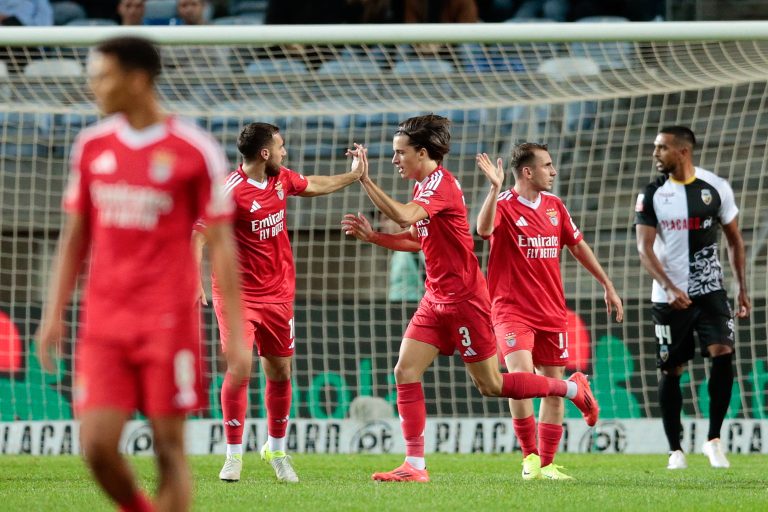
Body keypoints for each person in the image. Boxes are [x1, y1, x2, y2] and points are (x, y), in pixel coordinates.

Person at [35, 36, 249, 512]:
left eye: (102, 76)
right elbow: (74, 239)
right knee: (96, 445)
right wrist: (54, 313)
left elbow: (222, 245)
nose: (94, 87)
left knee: (168, 450)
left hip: (167, 323)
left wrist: (235, 334)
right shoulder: (91, 146)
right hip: (105, 323)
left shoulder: (195, 150)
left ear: (135, 80)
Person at [341, 114, 599, 483]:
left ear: (423, 153)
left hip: (466, 300)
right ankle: (415, 465)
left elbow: (400, 215)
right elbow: (417, 237)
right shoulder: (422, 186)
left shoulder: (441, 186)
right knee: (405, 370)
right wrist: (375, 238)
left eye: (400, 153)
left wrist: (363, 178)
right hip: (435, 298)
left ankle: (572, 389)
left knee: (492, 385)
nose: (395, 160)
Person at [193, 122, 365, 484]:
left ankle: (276, 449)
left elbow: (313, 183)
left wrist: (352, 177)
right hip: (238, 295)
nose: (285, 152)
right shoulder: (229, 191)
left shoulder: (280, 179)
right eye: (281, 147)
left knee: (280, 372)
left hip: (279, 294)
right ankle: (233, 455)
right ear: (265, 153)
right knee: (240, 368)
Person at [476, 144, 623, 480]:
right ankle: (529, 456)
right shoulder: (503, 205)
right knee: (522, 376)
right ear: (528, 172)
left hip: (551, 310)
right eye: (547, 165)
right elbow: (483, 231)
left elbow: (577, 245)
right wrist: (495, 188)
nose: (553, 171)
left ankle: (547, 464)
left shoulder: (556, 206)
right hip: (511, 310)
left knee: (550, 385)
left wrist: (607, 283)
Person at [634, 126, 750, 470]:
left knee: (724, 352)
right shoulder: (652, 193)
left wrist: (742, 287)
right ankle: (675, 450)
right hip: (668, 298)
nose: (656, 153)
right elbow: (644, 249)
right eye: (656, 147)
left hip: (711, 291)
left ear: (683, 151)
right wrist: (670, 287)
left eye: (662, 148)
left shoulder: (716, 188)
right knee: (672, 369)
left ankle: (713, 440)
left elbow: (735, 240)